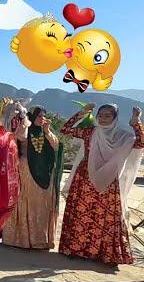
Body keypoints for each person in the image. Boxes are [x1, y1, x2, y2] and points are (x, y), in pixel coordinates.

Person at [59, 104, 144, 265]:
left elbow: (140, 142)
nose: (103, 119)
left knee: (105, 217)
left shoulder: (122, 136)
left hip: (108, 181)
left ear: (115, 118)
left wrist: (135, 122)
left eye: (108, 116)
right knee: (81, 214)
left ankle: (104, 253)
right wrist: (83, 113)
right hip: (85, 179)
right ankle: (75, 249)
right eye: (101, 115)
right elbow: (65, 130)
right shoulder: (90, 132)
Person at [2, 106, 63, 250]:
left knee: (40, 205)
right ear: (32, 116)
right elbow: (20, 137)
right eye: (39, 116)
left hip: (44, 174)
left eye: (43, 116)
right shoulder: (25, 128)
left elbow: (56, 146)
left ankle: (39, 240)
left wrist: (47, 131)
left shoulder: (46, 132)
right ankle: (21, 239)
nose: (42, 119)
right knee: (24, 202)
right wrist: (24, 120)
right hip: (25, 170)